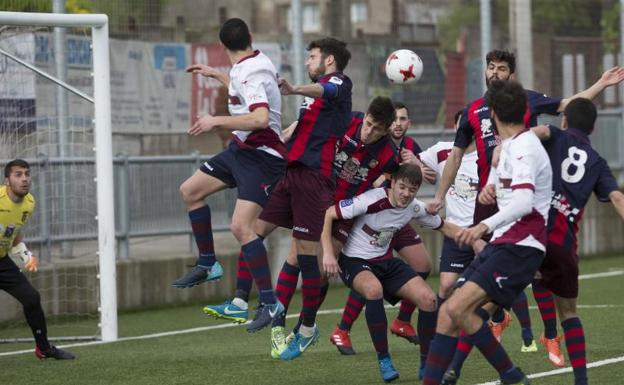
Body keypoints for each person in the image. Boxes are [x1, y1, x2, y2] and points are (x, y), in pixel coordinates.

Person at [422, 80, 552, 385]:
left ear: (491, 113)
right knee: (449, 313)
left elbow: (523, 201)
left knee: (456, 307)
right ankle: (507, 375)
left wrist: (482, 225)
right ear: (525, 111)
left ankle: (511, 374)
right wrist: (492, 185)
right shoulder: (508, 146)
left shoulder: (523, 148)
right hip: (504, 243)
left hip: (521, 246)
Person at [171, 19, 287, 329]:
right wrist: (219, 76)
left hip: (263, 157)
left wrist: (215, 121)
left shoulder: (249, 71)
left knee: (241, 227)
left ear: (223, 47)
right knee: (190, 191)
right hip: (240, 151)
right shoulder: (254, 62)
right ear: (250, 37)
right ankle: (208, 263)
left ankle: (269, 303)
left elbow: (261, 118)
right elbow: (251, 89)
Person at [242, 37, 352, 336]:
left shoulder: (340, 83)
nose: (307, 62)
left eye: (312, 56)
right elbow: (296, 128)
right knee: (252, 232)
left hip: (315, 177)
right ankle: (263, 303)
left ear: (329, 60)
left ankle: (307, 326)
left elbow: (325, 89)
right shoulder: (312, 97)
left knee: (304, 254)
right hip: (291, 173)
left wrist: (293, 88)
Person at [322, 163, 461, 383]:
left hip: (385, 262)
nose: (406, 194)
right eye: (402, 187)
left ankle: (427, 364)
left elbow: (444, 226)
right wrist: (328, 254)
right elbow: (329, 213)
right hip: (354, 261)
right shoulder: (370, 199)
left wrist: (478, 238)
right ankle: (384, 359)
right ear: (393, 182)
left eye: (412, 190)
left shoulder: (413, 207)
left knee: (429, 299)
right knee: (373, 289)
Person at [329, 102, 436, 373]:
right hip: (375, 216)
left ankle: (405, 326)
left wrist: (419, 167)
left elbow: (428, 179)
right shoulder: (377, 145)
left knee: (424, 269)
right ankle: (345, 330)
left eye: (404, 118)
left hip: (396, 222)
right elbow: (370, 181)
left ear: (408, 122)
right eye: (395, 119)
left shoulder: (410, 149)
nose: (399, 124)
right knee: (370, 284)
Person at [531, 98, 624, 385]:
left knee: (486, 300)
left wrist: (505, 148)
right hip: (565, 243)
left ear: (565, 121)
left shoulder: (554, 133)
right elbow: (618, 198)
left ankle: (453, 367)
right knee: (569, 312)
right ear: (594, 127)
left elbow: (538, 134)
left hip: (534, 234)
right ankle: (581, 380)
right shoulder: (597, 162)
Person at [1, 159, 74, 360]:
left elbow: (14, 232)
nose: (24, 179)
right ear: (7, 180)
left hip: (2, 262)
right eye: (18, 174)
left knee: (32, 298)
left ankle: (43, 348)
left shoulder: (29, 203)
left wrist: (24, 254)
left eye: (27, 174)